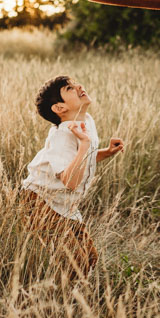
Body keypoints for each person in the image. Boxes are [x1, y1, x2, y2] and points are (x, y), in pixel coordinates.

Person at [20, 76, 125, 277]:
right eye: (69, 88)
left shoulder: (86, 121)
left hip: (65, 205)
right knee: (77, 263)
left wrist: (106, 152)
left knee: (91, 258)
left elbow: (81, 160)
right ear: (59, 108)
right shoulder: (61, 135)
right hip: (40, 202)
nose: (79, 87)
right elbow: (70, 181)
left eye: (76, 83)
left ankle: (76, 296)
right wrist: (85, 143)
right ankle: (62, 301)